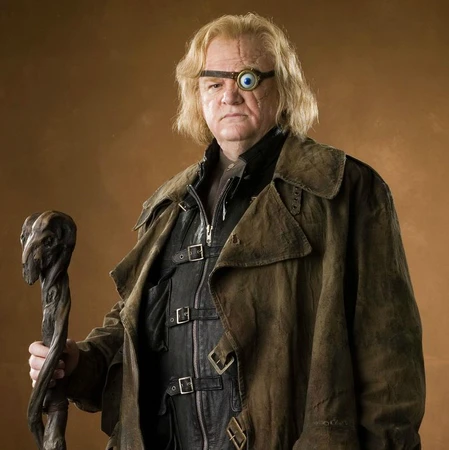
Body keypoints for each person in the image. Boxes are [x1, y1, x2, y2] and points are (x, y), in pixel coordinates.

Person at [28, 13, 425, 450]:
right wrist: (77, 363)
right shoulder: (167, 208)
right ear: (197, 95)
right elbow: (133, 336)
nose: (229, 95)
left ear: (284, 88)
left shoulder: (344, 190)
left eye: (248, 79)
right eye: (213, 82)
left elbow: (391, 367)